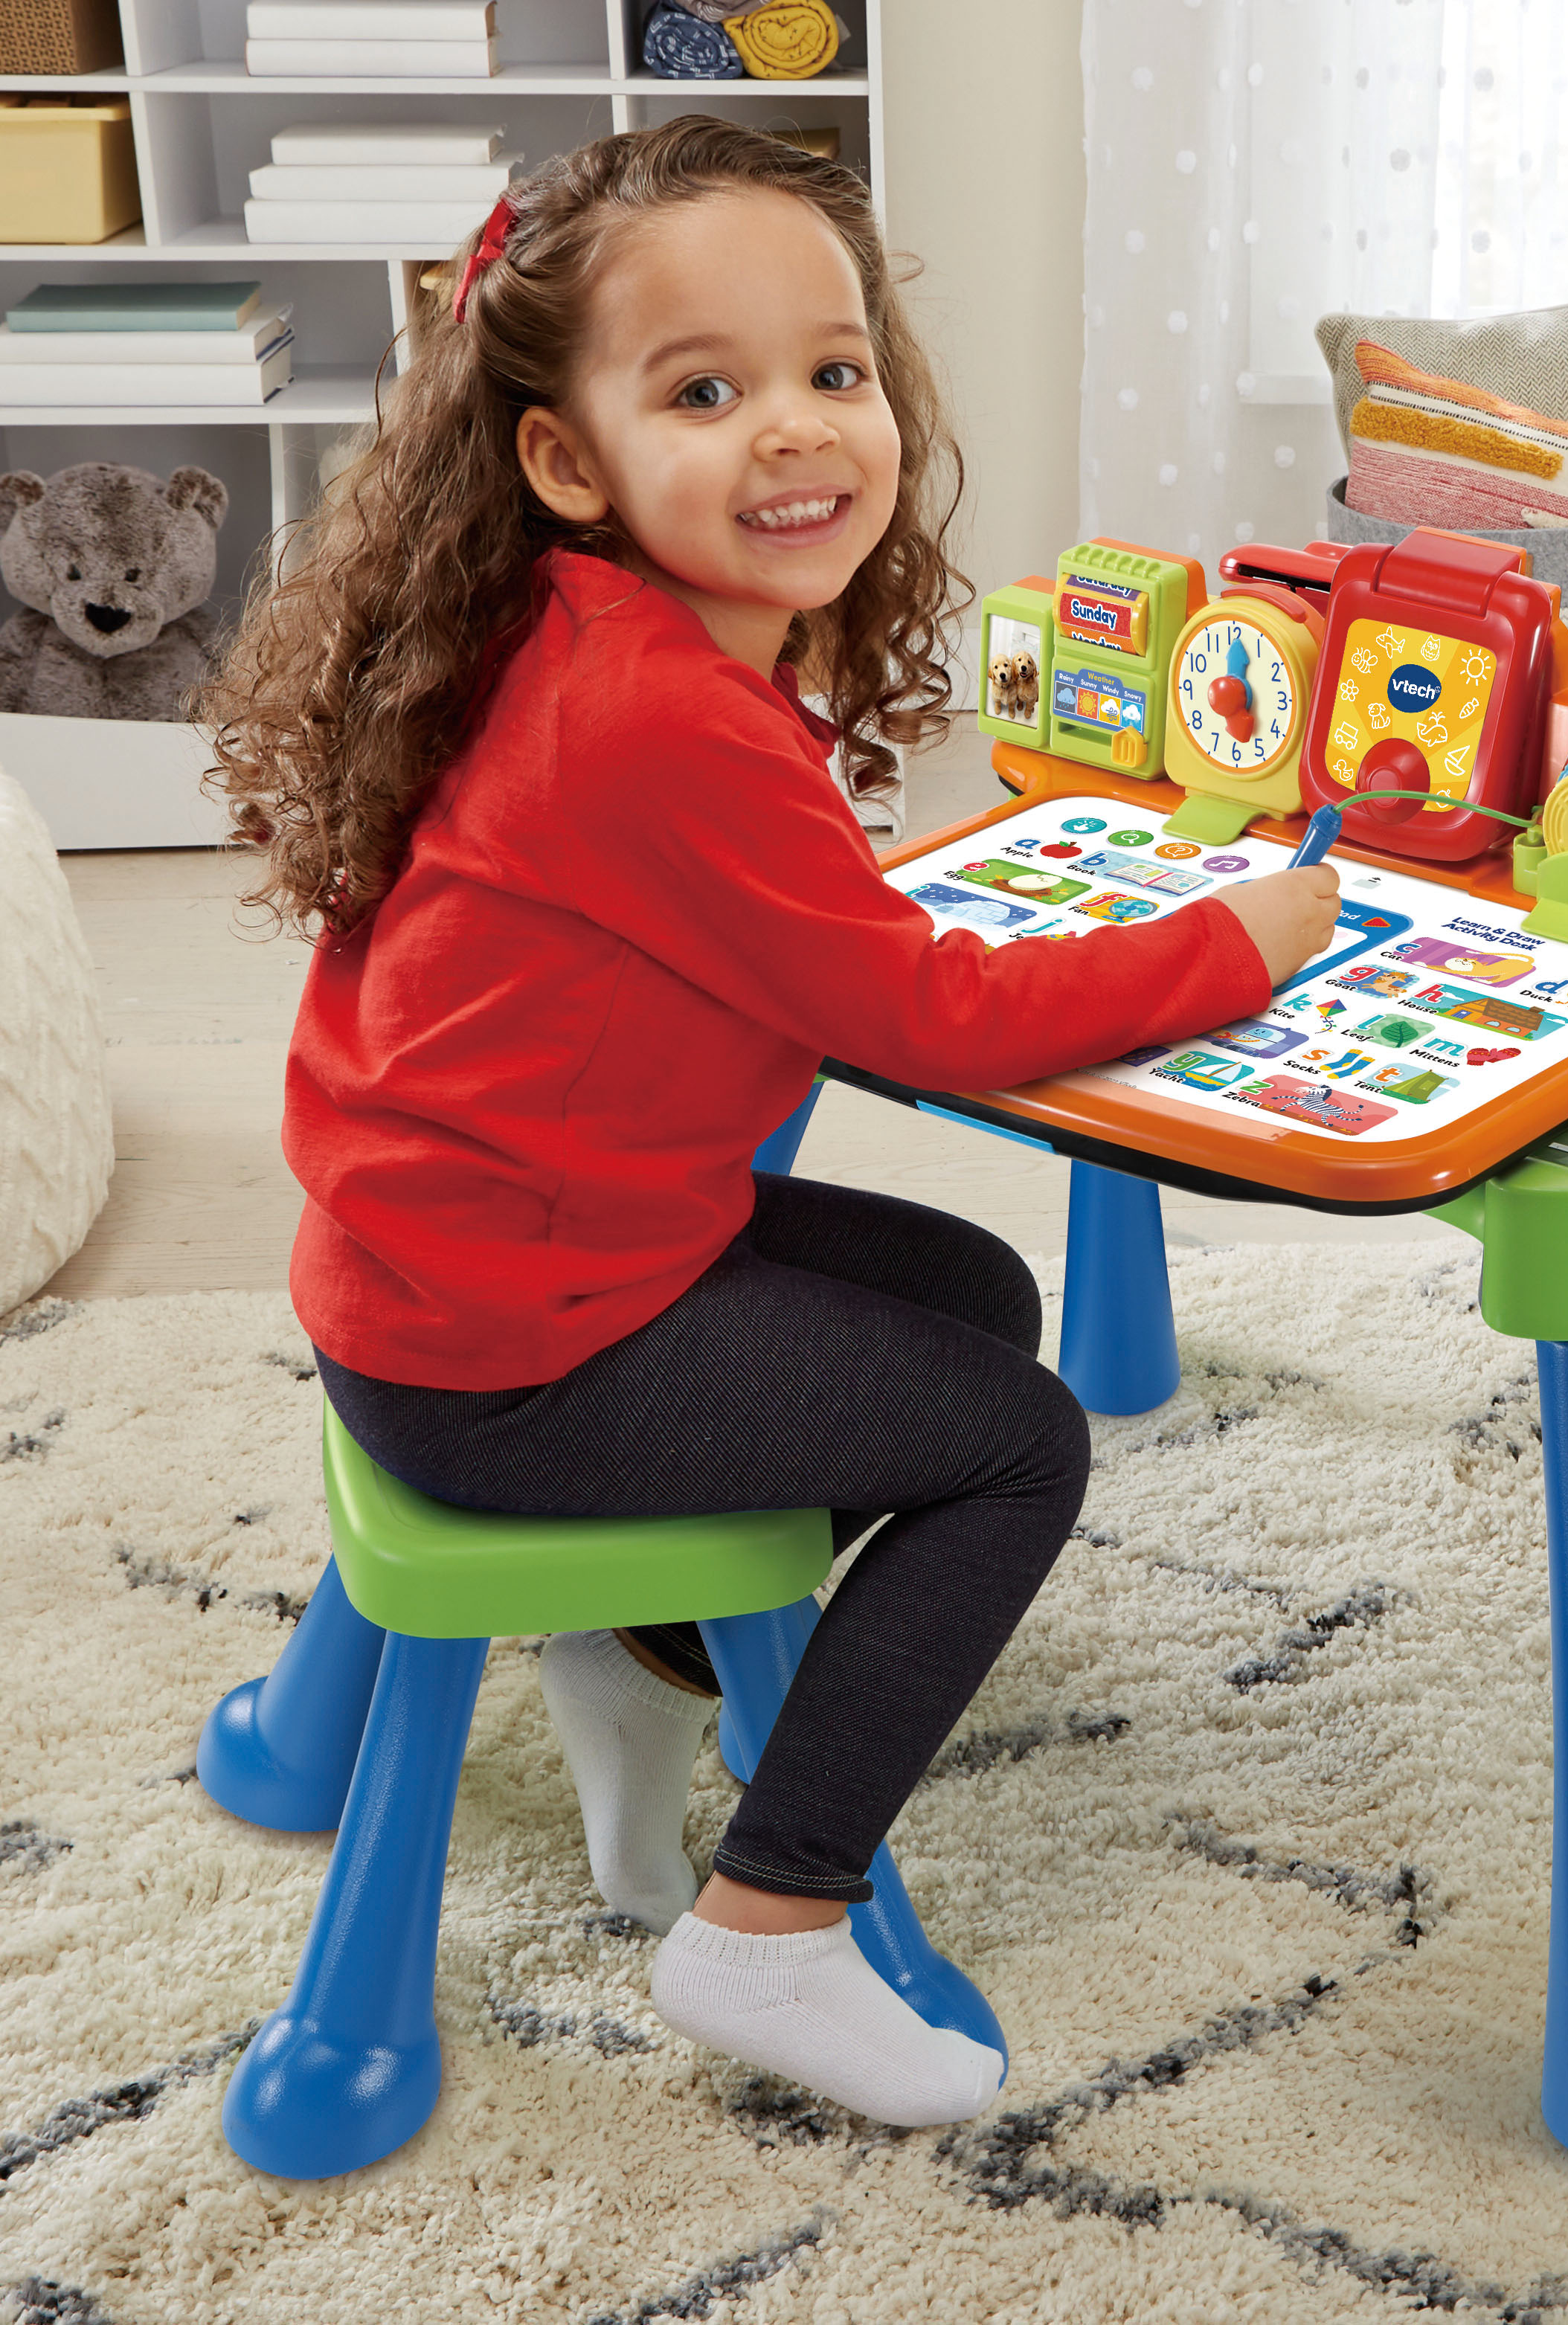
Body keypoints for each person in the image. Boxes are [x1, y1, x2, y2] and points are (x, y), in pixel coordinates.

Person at [197, 117, 1338, 2131]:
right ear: (570, 459)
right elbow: (922, 1014)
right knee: (1017, 1443)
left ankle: (646, 1646)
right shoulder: (659, 711)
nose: (801, 432)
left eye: (835, 372)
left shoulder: (575, 633)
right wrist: (1232, 945)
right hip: (510, 1351)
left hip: (458, 1272)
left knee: (975, 1291)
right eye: (705, 391)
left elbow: (766, 951)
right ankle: (771, 1922)